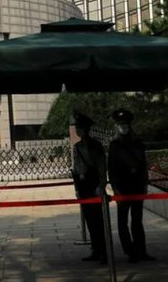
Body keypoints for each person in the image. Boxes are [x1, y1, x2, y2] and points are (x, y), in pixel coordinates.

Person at [108, 108, 155, 263]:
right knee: (123, 222)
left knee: (137, 220)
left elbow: (143, 165)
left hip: (136, 186)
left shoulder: (137, 143)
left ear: (129, 125)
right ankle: (130, 251)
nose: (123, 127)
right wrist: (115, 188)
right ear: (116, 126)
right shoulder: (114, 145)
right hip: (122, 187)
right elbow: (111, 168)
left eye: (125, 124)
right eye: (120, 124)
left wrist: (144, 185)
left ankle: (141, 250)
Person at [71, 111, 108, 264]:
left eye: (80, 128)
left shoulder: (96, 145)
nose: (78, 131)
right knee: (89, 220)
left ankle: (104, 252)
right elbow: (76, 169)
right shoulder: (77, 147)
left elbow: (101, 167)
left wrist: (101, 185)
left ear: (87, 129)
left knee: (98, 220)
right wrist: (77, 189)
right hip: (83, 185)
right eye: (77, 128)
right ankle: (95, 250)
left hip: (94, 184)